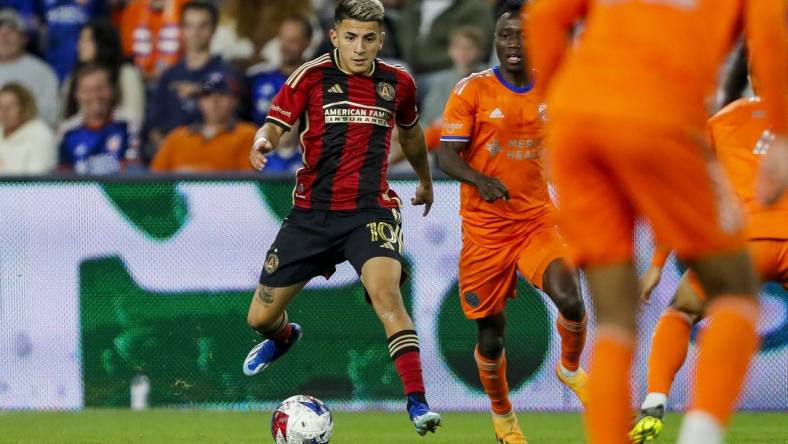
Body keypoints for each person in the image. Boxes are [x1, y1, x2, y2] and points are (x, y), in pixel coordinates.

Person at [525, 1, 787, 443]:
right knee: (737, 293)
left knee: (614, 320)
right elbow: (769, 40)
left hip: (577, 122)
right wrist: (780, 131)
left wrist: (552, 103)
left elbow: (546, 15)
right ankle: (701, 433)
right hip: (660, 115)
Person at [244, 0, 441, 435]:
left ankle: (418, 403)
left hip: (370, 211)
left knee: (387, 295)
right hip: (312, 215)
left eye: (368, 39)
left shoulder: (397, 83)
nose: (359, 47)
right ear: (334, 36)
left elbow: (410, 132)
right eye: (350, 37)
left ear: (380, 40)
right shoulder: (310, 77)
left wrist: (425, 180)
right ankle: (283, 337)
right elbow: (275, 124)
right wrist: (262, 141)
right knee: (258, 318)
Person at [437, 3, 587, 442]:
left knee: (571, 299)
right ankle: (503, 417)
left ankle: (570, 369)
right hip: (485, 231)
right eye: (505, 36)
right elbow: (446, 154)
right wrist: (479, 179)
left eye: (521, 35)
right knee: (491, 333)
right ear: (495, 40)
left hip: (535, 221)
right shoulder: (472, 91)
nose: (513, 44)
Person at [630, 84, 788, 443]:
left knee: (681, 311)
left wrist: (657, 263)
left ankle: (655, 400)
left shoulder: (724, 121)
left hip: (743, 244)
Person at [146, 1, 240, 158]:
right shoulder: (168, 77)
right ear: (181, 30)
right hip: (175, 163)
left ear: (214, 29)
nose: (195, 33)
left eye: (203, 26)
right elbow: (153, 127)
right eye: (189, 26)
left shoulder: (229, 75)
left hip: (218, 159)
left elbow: (236, 125)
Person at [151, 72, 255, 172]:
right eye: (207, 95)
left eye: (222, 94)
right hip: (179, 190)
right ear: (199, 101)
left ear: (235, 100)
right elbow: (155, 181)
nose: (214, 100)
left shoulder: (248, 134)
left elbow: (248, 181)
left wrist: (195, 175)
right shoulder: (176, 137)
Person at [58, 63, 139, 175]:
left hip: (119, 190)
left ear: (111, 90)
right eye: (87, 90)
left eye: (100, 88)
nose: (94, 95)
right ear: (77, 94)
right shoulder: (67, 131)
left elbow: (134, 170)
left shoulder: (127, 122)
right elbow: (63, 178)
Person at [62, 19, 146, 125]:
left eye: (86, 41)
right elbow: (64, 118)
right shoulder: (73, 77)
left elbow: (134, 118)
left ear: (102, 43)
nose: (79, 46)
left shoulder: (125, 74)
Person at [396, 0, 494, 74]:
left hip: (451, 71)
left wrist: (425, 61)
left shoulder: (474, 7)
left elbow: (479, 46)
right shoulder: (412, 6)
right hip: (408, 69)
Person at [0, 8, 58, 127]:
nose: (4, 37)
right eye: (0, 32)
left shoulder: (42, 73)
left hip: (26, 139)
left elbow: (51, 116)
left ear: (24, 38)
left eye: (11, 32)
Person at [36, 0, 105, 82]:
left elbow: (102, 31)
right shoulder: (44, 4)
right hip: (50, 65)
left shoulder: (94, 4)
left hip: (81, 66)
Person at [120, 0, 186, 80]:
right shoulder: (133, 10)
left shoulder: (184, 7)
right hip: (139, 78)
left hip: (176, 77)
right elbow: (127, 52)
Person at [0, 82, 56, 174]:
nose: (4, 112)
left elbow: (36, 179)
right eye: (1, 106)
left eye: (10, 106)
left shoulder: (40, 134)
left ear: (25, 106)